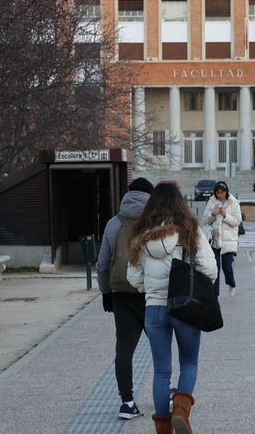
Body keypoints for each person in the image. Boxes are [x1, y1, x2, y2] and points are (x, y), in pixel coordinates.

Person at [126, 183, 218, 434]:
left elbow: (133, 279)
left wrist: (152, 286)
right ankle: (181, 411)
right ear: (179, 203)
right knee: (189, 362)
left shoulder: (139, 235)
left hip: (153, 309)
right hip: (184, 306)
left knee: (161, 370)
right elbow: (210, 270)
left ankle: (163, 429)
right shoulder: (190, 230)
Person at [95, 177, 153, 420]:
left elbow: (102, 264)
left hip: (121, 294)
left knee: (124, 349)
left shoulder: (113, 223)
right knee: (160, 347)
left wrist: (106, 293)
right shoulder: (155, 222)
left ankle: (127, 403)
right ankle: (167, 395)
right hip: (151, 295)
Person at [202, 181, 242, 296]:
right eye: (217, 192)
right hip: (214, 239)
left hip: (228, 241)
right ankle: (215, 294)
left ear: (226, 192)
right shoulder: (212, 201)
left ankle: (232, 283)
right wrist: (213, 214)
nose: (219, 195)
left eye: (222, 192)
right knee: (215, 268)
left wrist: (225, 215)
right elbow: (205, 220)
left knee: (227, 268)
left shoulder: (234, 203)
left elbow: (237, 222)